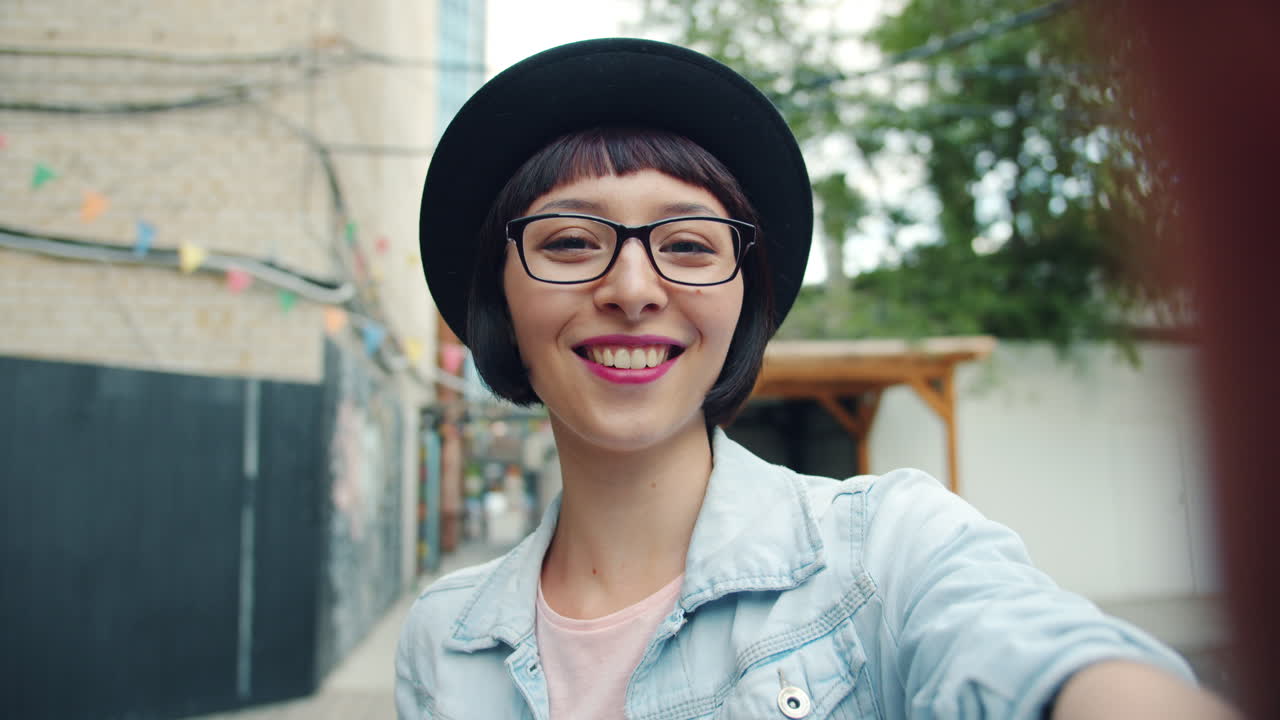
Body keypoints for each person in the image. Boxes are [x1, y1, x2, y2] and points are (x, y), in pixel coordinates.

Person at [397, 38, 1235, 719]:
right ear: (500, 300)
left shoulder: (889, 551)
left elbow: (1054, 665)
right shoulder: (444, 638)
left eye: (689, 244)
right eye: (572, 242)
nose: (633, 289)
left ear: (741, 302)